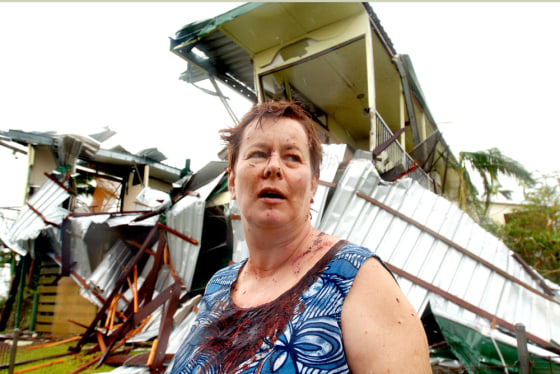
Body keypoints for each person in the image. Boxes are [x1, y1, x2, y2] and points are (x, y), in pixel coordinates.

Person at [167, 101, 431, 373]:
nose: (273, 168)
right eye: (257, 154)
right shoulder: (218, 286)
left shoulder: (358, 281)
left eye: (292, 157)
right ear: (232, 181)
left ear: (314, 184)